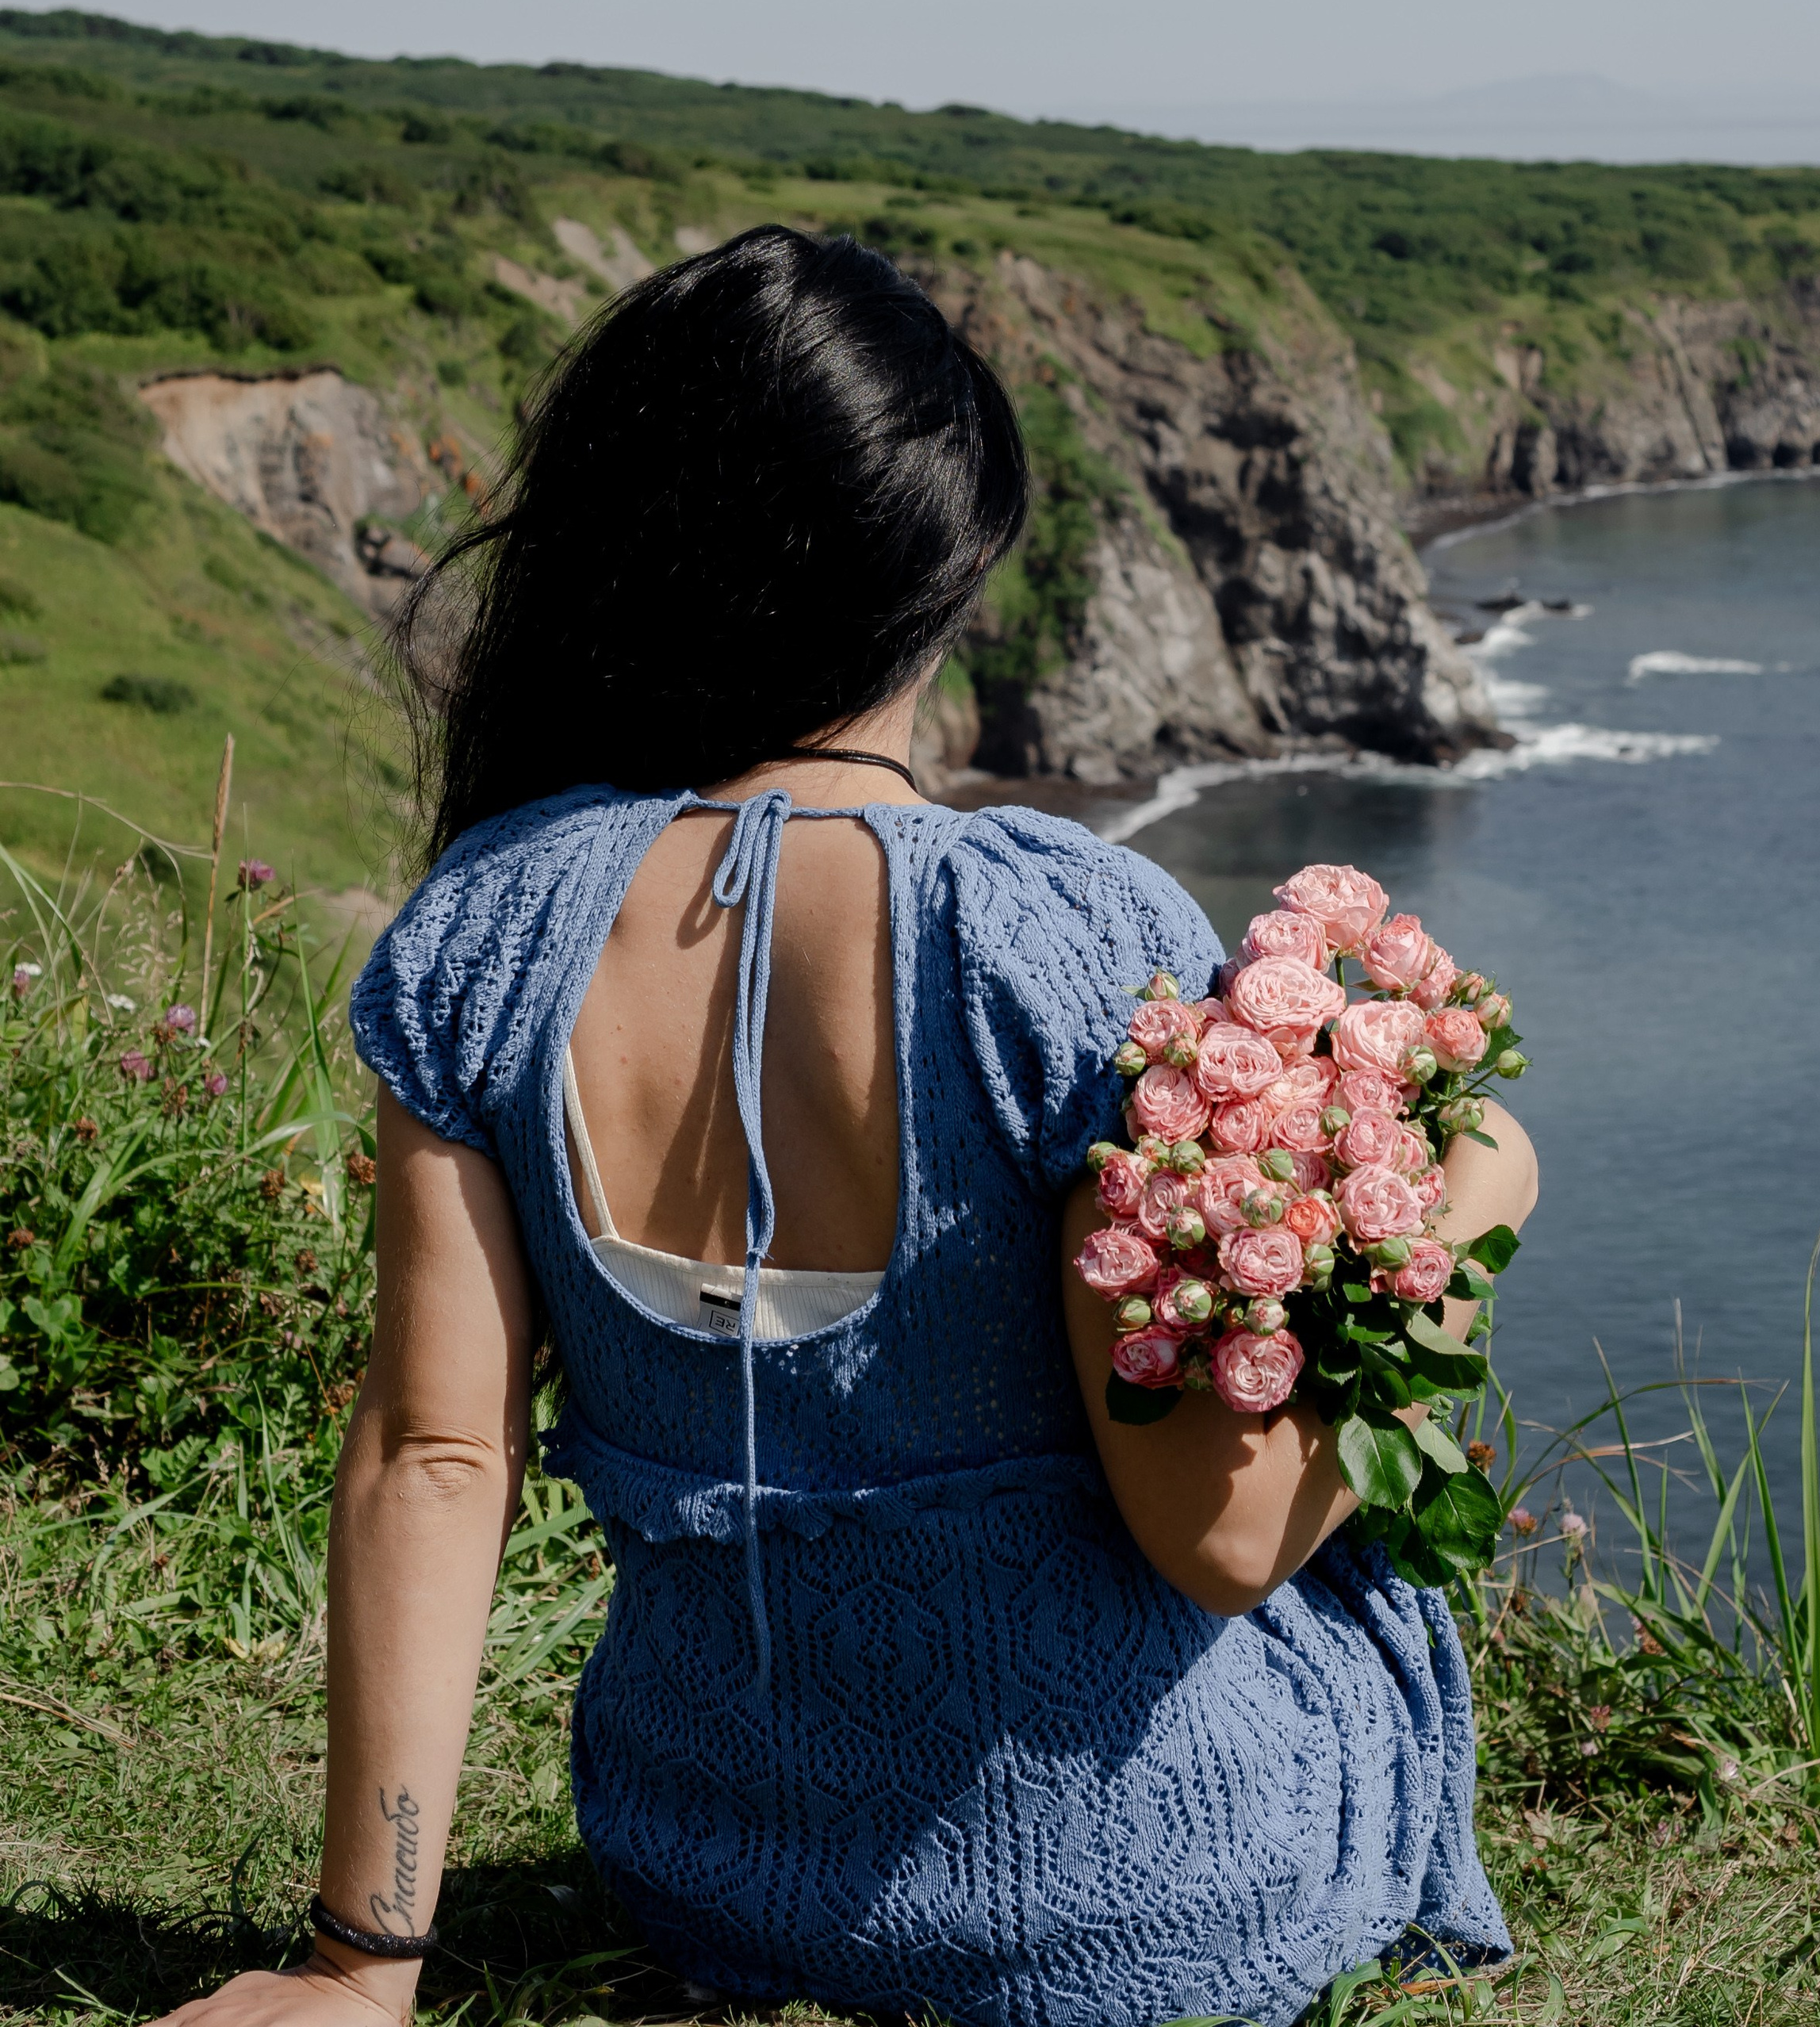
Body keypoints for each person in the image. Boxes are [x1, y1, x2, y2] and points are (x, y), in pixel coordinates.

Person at [156, 225, 1535, 2027]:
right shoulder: (1059, 938)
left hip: (709, 1873)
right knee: (1346, 1613)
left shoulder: (482, 936)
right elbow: (1223, 1536)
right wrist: (1457, 1197)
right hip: (1130, 1912)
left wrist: (360, 1965)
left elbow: (434, 1459)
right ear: (941, 567)